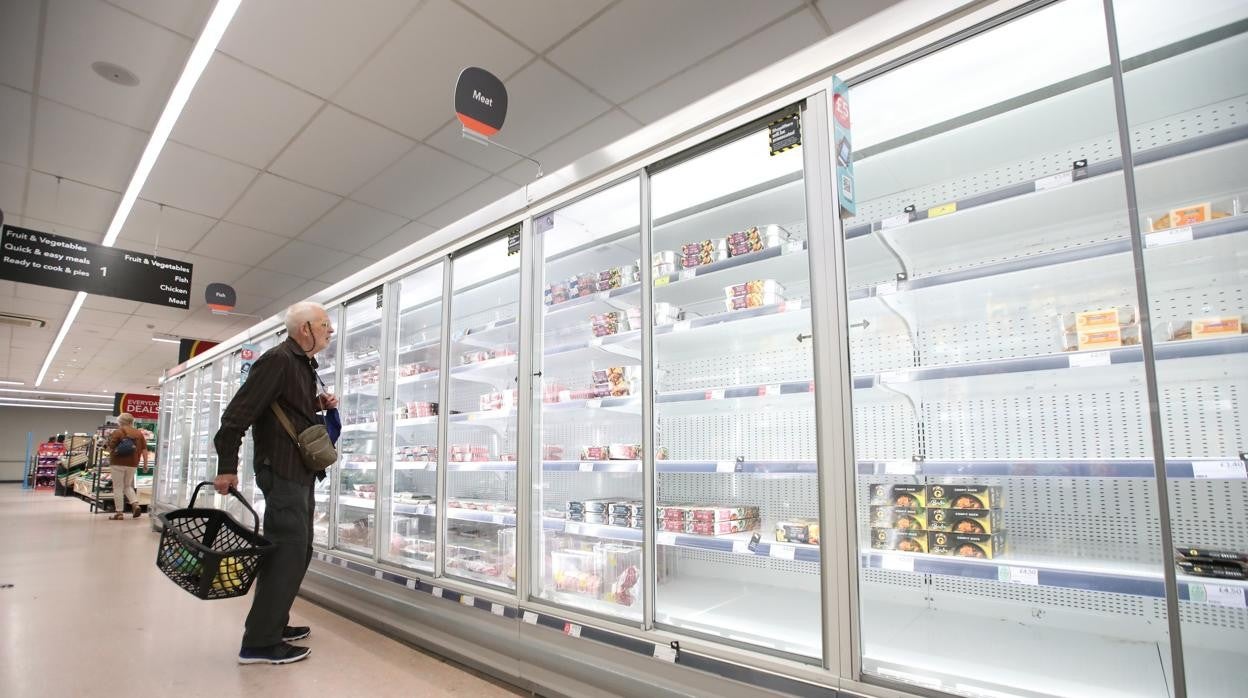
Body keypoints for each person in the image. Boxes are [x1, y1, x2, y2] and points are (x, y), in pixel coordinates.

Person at [213, 301, 337, 665]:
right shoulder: (277, 360)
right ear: (305, 329)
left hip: (299, 470)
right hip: (282, 471)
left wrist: (318, 403)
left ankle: (273, 622)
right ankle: (260, 643)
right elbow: (235, 416)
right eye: (325, 325)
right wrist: (226, 467)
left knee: (297, 551)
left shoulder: (301, 364)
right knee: (286, 550)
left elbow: (285, 408)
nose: (330, 332)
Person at [106, 413, 148, 520]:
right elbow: (144, 450)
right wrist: (145, 464)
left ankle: (119, 512)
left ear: (120, 422)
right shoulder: (139, 434)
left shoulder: (118, 432)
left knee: (118, 487)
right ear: (131, 422)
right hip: (133, 463)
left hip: (117, 462)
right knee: (127, 486)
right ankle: (135, 504)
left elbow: (110, 447)